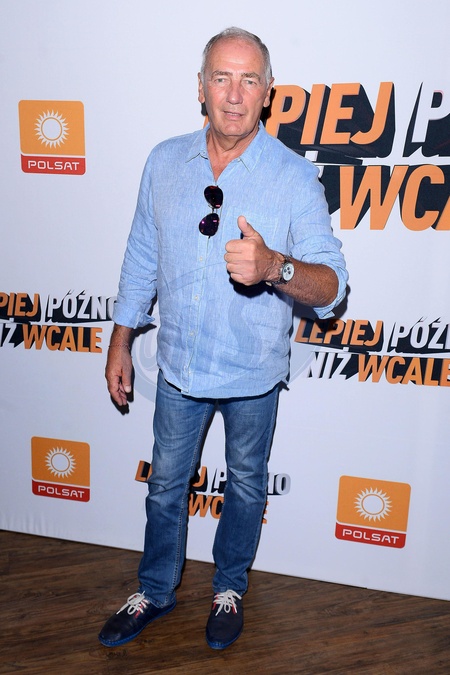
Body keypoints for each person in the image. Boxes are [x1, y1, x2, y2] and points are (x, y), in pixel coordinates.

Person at [99, 26, 348, 651]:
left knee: (244, 485)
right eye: (221, 77)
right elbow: (141, 256)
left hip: (252, 373)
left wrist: (275, 267)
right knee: (165, 487)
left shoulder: (293, 177)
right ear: (201, 88)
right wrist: (121, 340)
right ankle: (155, 590)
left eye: (248, 80)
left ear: (267, 92)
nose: (234, 95)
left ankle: (229, 588)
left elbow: (332, 286)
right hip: (178, 369)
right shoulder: (164, 161)